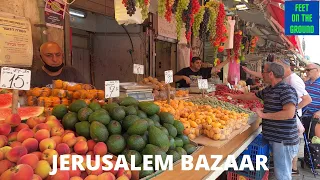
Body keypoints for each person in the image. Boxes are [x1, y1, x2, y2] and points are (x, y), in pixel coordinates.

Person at [227, 62, 300, 180]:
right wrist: (233, 96)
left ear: (271, 74)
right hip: (275, 138)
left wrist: (264, 115)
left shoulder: (286, 90)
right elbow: (252, 96)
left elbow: (289, 113)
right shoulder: (269, 89)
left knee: (282, 175)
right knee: (279, 172)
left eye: (263, 72)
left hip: (283, 140)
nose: (261, 74)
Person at [303, 63, 320, 139]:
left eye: (308, 70)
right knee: (305, 140)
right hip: (304, 116)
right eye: (306, 70)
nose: (306, 72)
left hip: (315, 118)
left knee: (313, 141)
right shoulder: (305, 83)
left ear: (317, 70)